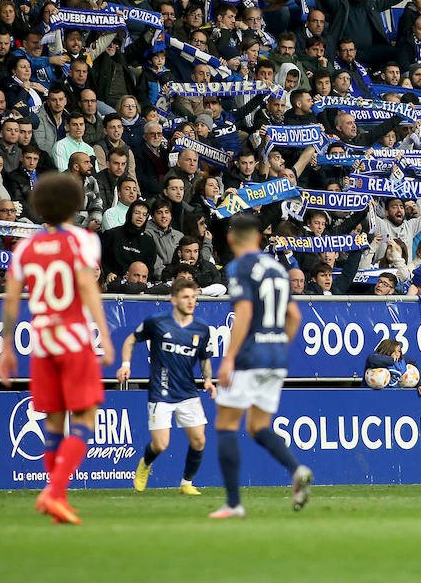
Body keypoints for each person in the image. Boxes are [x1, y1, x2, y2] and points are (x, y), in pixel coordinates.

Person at [0, 172, 114, 526]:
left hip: (42, 340)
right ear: (76, 204)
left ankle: (57, 498)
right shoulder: (83, 240)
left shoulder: (25, 247)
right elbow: (86, 286)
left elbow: (12, 299)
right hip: (74, 338)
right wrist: (104, 337)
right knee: (86, 417)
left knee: (54, 421)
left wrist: (6, 347)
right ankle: (54, 491)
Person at [209, 214, 313, 518]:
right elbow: (294, 316)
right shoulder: (280, 270)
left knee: (227, 425)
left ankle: (233, 504)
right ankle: (297, 468)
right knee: (258, 427)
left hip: (249, 357)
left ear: (231, 240)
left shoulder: (239, 267)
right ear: (258, 238)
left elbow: (243, 313)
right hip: (276, 358)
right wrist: (279, 344)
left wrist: (228, 358)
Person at [118, 275, 215, 496]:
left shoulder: (201, 329)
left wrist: (208, 379)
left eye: (193, 297)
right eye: (185, 297)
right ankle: (145, 464)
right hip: (161, 391)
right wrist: (125, 364)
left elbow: (204, 357)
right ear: (174, 300)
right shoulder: (158, 322)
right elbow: (131, 340)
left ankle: (186, 483)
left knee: (199, 440)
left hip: (188, 392)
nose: (191, 302)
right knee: (161, 444)